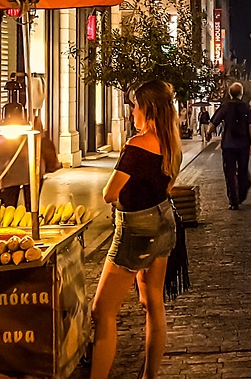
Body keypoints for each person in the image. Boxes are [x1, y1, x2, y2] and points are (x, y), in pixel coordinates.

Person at [90, 80, 182, 379]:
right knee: (152, 303)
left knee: (102, 311)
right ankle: (149, 376)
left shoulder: (137, 144)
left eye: (135, 105)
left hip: (137, 228)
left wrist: (115, 192)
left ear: (147, 109)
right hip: (165, 221)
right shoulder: (170, 142)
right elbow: (166, 186)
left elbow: (109, 192)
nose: (132, 111)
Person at [209, 83, 251, 210]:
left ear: (230, 93)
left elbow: (214, 122)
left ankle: (233, 200)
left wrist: (208, 133)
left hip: (228, 144)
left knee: (229, 172)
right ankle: (241, 194)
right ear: (241, 93)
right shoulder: (247, 108)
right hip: (243, 144)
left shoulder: (225, 107)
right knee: (242, 170)